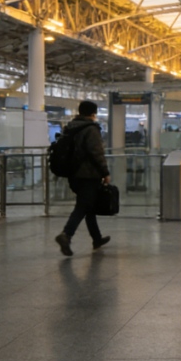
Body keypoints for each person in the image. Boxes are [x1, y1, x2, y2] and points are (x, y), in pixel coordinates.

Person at [55, 100, 112, 257]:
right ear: (93, 113)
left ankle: (97, 238)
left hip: (73, 174)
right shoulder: (91, 129)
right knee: (83, 206)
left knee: (88, 205)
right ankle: (66, 234)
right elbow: (96, 153)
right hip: (88, 175)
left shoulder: (70, 127)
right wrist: (105, 172)